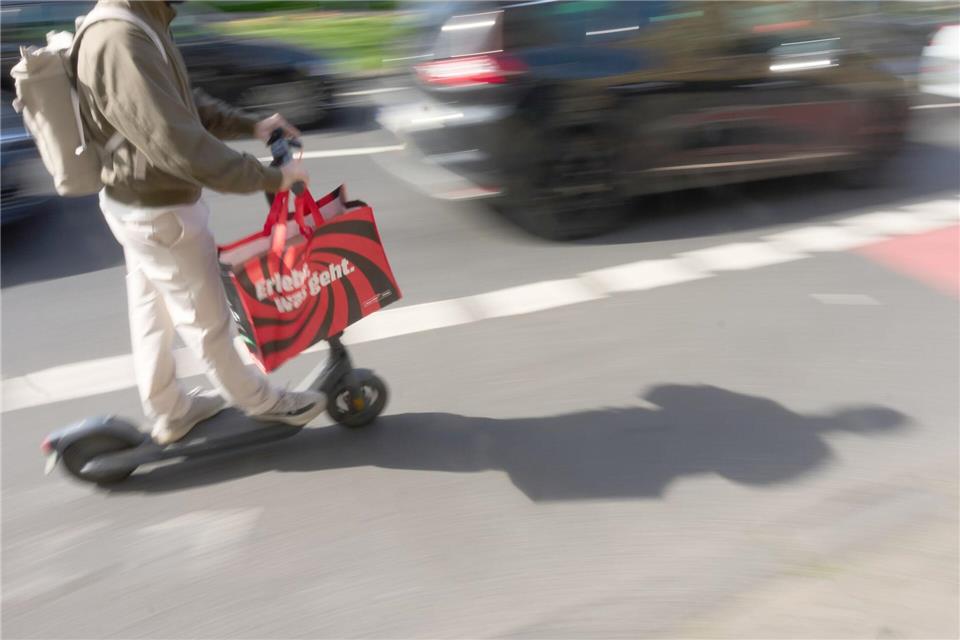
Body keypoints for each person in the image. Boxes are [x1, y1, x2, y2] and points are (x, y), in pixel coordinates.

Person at [75, 0, 326, 445]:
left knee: (151, 310)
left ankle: (170, 411)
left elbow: (182, 104)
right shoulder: (121, 38)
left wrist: (253, 125)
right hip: (161, 212)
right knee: (207, 322)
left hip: (138, 204)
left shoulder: (139, 19)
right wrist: (272, 178)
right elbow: (180, 144)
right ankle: (261, 402)